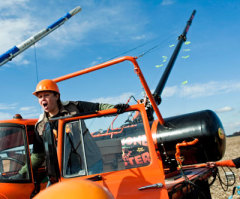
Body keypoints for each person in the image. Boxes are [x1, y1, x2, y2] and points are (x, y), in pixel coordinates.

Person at [18, 79, 129, 178]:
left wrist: (115, 108)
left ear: (56, 96)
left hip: (90, 163)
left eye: (46, 95)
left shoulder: (74, 107)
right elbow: (38, 155)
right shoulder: (41, 126)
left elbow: (99, 108)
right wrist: (21, 173)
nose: (43, 99)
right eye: (40, 97)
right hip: (65, 171)